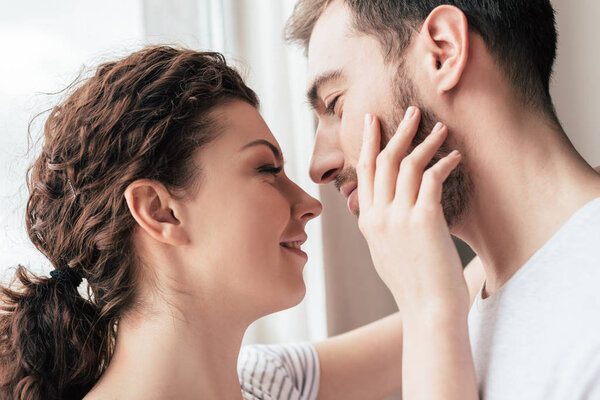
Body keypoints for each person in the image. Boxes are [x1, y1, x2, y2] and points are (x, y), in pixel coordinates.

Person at [0, 45, 488, 400]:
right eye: (266, 169)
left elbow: (448, 308)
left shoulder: (263, 383)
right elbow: (432, 316)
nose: (309, 202)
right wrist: (428, 302)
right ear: (158, 210)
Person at [286, 0, 600, 399]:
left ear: (444, 51)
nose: (318, 167)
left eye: (335, 104)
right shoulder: (467, 308)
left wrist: (426, 312)